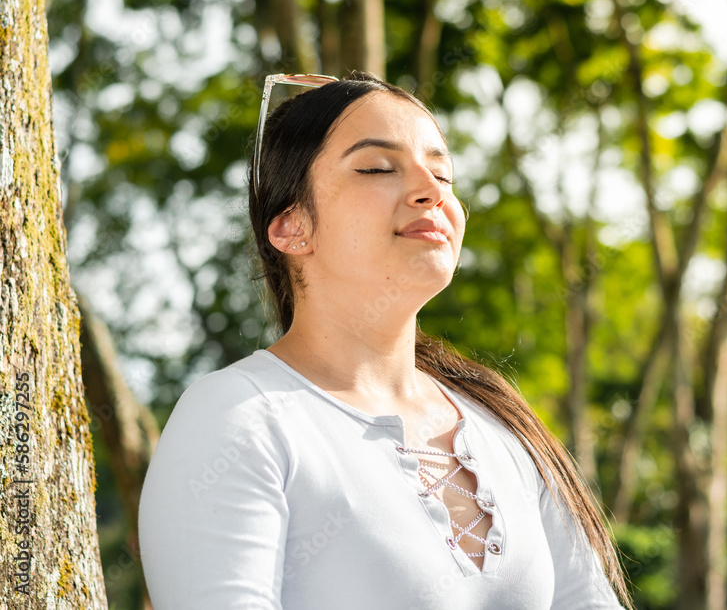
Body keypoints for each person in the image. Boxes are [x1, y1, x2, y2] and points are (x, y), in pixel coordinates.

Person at [137, 71, 633, 609]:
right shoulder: (239, 417)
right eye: (377, 167)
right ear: (292, 227)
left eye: (442, 174)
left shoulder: (505, 429)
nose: (430, 192)